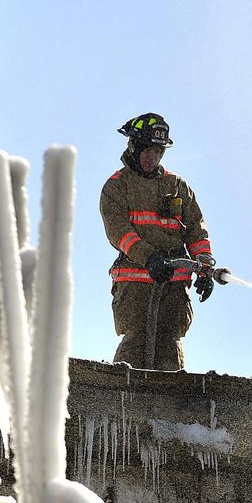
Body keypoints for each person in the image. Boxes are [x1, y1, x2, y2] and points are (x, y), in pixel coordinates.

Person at [99, 113, 216, 371]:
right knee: (135, 345)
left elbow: (197, 231)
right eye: (148, 151)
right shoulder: (117, 186)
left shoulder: (177, 186)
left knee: (169, 350)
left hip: (173, 285)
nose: (153, 157)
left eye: (158, 151)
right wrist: (149, 257)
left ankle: (171, 407)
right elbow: (119, 231)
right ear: (134, 147)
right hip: (135, 283)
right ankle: (123, 401)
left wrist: (205, 268)